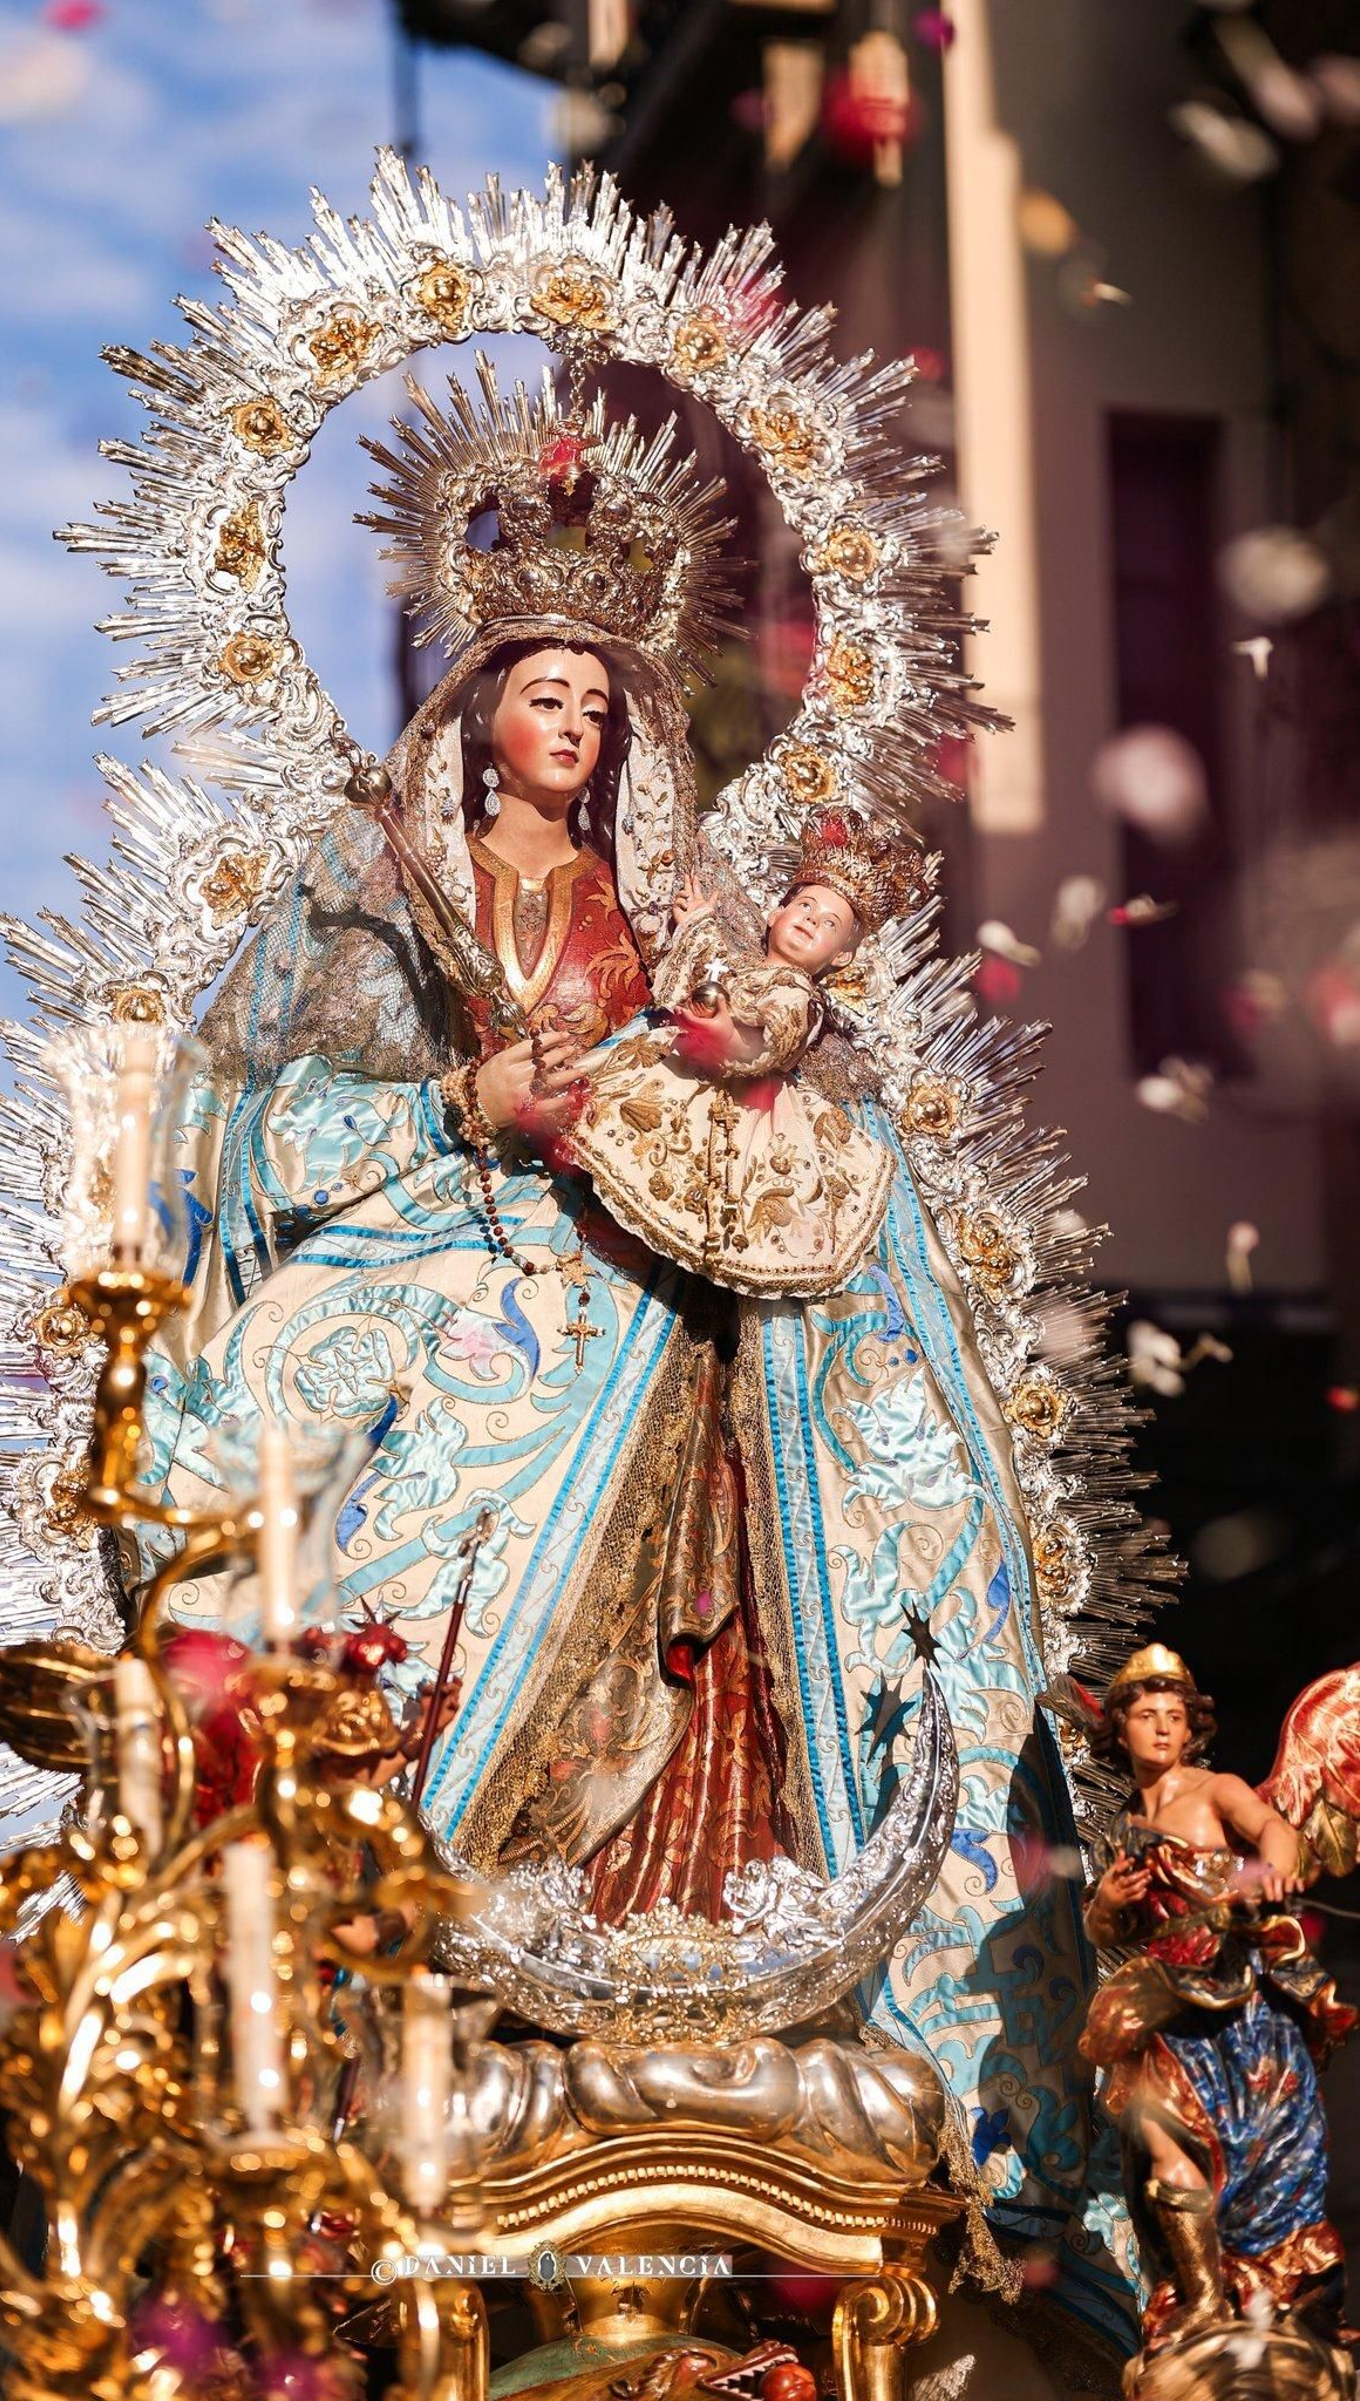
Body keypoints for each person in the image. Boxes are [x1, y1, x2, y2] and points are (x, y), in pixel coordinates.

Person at [140, 374, 1131, 2334]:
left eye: (606, 706)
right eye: (545, 692)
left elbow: (761, 1027)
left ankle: (707, 1958)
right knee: (416, 1642)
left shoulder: (655, 896)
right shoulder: (368, 894)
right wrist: (451, 1108)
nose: (576, 729)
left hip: (689, 1332)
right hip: (474, 1326)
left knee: (732, 1632)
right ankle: (412, 2019)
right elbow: (220, 1134)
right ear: (471, 695)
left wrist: (786, 979)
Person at [1080, 1644, 1354, 2354]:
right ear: (1121, 1727)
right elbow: (1107, 1927)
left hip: (1238, 2001)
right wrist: (1107, 1904)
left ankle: (1268, 2296)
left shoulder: (1214, 1787)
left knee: (1261, 2157)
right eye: (1147, 1715)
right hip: (1165, 2000)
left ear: (1192, 1726)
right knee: (1162, 2137)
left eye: (1175, 1715)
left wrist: (1272, 1870)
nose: (1163, 1729)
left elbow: (1275, 1829)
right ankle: (1202, 2297)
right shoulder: (1124, 1828)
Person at [563, 818, 928, 1297]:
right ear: (776, 914)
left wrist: (727, 1037)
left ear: (840, 958)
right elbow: (709, 964)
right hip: (678, 1071)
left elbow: (774, 1042)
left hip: (744, 1111)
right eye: (804, 905)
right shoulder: (744, 968)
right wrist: (696, 920)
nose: (811, 920)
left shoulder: (799, 995)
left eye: (829, 924)